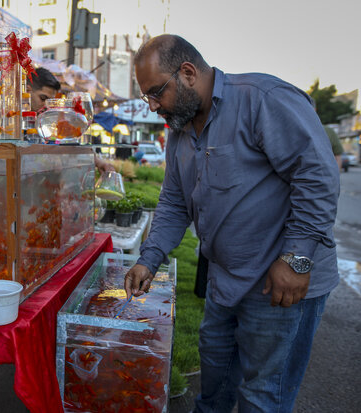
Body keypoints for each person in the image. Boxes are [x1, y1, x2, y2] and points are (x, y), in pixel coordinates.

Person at [125, 35, 339, 413]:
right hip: (224, 284)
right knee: (215, 389)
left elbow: (318, 176)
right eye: (147, 97)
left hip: (280, 288)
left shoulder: (263, 98)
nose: (153, 105)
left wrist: (297, 259)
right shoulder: (179, 130)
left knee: (262, 398)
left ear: (188, 73)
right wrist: (149, 257)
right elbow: (175, 201)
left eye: (156, 92)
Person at [29, 66, 114, 173]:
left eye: (51, 101)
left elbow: (68, 143)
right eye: (43, 99)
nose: (47, 106)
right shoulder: (13, 120)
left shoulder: (47, 123)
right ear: (27, 91)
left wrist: (98, 162)